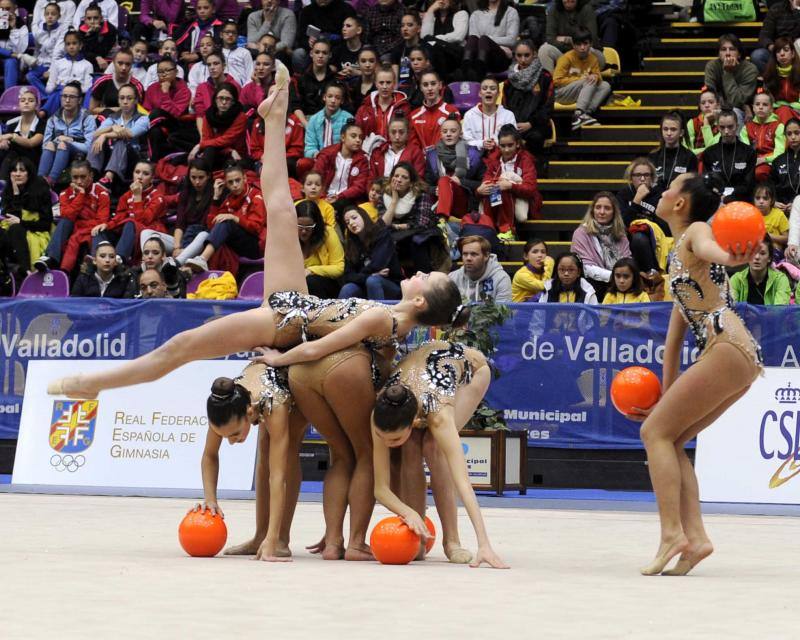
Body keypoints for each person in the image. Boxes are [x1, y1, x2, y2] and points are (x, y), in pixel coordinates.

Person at [48, 61, 467, 400]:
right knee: (282, 206)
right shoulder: (396, 321)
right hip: (295, 304)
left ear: (419, 298)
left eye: (429, 277)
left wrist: (278, 360)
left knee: (183, 347)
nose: (423, 271)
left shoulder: (385, 319)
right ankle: (274, 115)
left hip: (282, 322)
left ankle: (93, 385)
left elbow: (325, 348)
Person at [633, 172, 762, 576]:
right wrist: (664, 395)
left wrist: (730, 257)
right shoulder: (678, 258)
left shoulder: (696, 232)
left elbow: (712, 245)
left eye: (670, 187)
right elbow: (674, 337)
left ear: (681, 204)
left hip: (725, 342)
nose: (664, 190)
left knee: (653, 434)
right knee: (669, 436)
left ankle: (672, 533)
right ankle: (697, 538)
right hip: (734, 350)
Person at [371, 340, 508, 569]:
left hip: (472, 370)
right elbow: (380, 488)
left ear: (414, 421)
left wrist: (484, 544)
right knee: (410, 447)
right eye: (382, 436)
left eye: (394, 438)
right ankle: (419, 538)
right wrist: (408, 513)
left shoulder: (439, 413)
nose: (387, 444)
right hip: (419, 373)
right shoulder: (381, 413)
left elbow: (462, 482)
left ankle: (452, 541)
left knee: (434, 446)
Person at [185, 163, 265, 272]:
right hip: (236, 243)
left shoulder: (256, 196)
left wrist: (234, 218)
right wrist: (216, 198)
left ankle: (202, 258)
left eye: (238, 180)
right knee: (197, 230)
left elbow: (256, 228)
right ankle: (183, 263)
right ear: (226, 184)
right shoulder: (229, 199)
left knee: (227, 222)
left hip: (254, 245)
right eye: (230, 182)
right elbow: (212, 226)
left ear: (245, 179)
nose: (235, 185)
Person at [35, 159, 110, 273]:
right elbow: (68, 215)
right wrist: (81, 195)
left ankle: (96, 263)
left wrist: (82, 226)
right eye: (75, 177)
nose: (79, 181)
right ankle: (50, 258)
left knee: (99, 230)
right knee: (65, 221)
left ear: (91, 175)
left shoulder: (102, 193)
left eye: (83, 177)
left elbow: (102, 220)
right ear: (71, 177)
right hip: (73, 229)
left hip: (91, 230)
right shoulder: (65, 194)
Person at [91, 160, 167, 264]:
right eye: (137, 172)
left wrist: (137, 197)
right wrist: (107, 225)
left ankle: (118, 259)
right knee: (99, 230)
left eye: (145, 174)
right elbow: (119, 218)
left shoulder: (158, 197)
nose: (140, 176)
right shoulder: (125, 196)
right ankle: (97, 259)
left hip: (149, 233)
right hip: (128, 231)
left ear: (152, 178)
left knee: (131, 223)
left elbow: (143, 221)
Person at [474, 124, 540, 239]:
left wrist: (510, 186)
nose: (506, 150)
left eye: (510, 145)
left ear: (518, 144)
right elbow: (486, 181)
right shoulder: (494, 161)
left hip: (520, 198)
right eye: (503, 146)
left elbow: (531, 189)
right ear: (498, 145)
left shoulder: (526, 160)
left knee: (504, 180)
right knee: (495, 185)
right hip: (498, 199)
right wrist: (479, 191)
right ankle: (490, 229)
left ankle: (507, 231)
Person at [379, 161, 443, 273]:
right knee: (382, 237)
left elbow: (421, 224)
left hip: (419, 237)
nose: (399, 180)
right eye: (396, 176)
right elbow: (383, 225)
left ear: (411, 183)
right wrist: (394, 201)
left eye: (404, 177)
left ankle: (423, 277)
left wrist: (397, 226)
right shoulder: (385, 195)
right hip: (397, 237)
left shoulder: (421, 195)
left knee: (418, 240)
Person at [0, 157, 53, 281]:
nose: (17, 174)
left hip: (37, 231)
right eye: (14, 170)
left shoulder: (40, 189)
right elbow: (11, 217)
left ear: (29, 173)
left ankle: (26, 270)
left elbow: (45, 224)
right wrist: (16, 192)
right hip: (15, 233)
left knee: (16, 228)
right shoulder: (9, 190)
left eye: (22, 170)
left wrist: (22, 223)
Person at [570, 191, 631, 299]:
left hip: (618, 282)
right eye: (598, 207)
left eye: (607, 208)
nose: (602, 212)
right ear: (592, 211)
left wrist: (620, 277)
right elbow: (586, 267)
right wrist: (614, 276)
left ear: (614, 212)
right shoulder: (581, 233)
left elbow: (627, 260)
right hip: (592, 283)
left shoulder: (621, 234)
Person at [88, 83, 149, 187]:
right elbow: (96, 133)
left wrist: (106, 135)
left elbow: (130, 133)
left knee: (121, 141)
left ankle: (108, 179)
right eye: (122, 98)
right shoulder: (113, 117)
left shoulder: (143, 118)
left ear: (136, 100)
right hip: (114, 154)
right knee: (97, 139)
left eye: (129, 98)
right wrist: (111, 128)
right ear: (118, 100)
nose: (125, 102)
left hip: (133, 157)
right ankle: (91, 174)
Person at [425, 115, 484, 221]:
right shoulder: (432, 155)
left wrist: (462, 182)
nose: (448, 134)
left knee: (444, 180)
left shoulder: (473, 154)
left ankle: (442, 219)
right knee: (444, 182)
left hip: (464, 202)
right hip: (438, 200)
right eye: (445, 131)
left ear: (460, 133)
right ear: (441, 134)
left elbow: (482, 183)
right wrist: (434, 190)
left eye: (453, 131)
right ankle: (443, 217)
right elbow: (425, 185)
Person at [616, 157, 670, 274]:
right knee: (638, 237)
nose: (642, 179)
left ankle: (652, 274)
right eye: (638, 175)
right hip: (629, 238)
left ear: (652, 178)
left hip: (655, 239)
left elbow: (665, 226)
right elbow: (622, 223)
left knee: (641, 237)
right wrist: (636, 200)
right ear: (631, 178)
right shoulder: (624, 194)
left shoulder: (660, 195)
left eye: (646, 175)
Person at [38, 81, 97, 185]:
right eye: (64, 96)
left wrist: (70, 141)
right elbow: (44, 145)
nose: (67, 100)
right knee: (50, 144)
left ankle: (51, 181)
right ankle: (40, 180)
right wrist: (59, 139)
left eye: (72, 97)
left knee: (63, 144)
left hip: (79, 154)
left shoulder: (87, 118)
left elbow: (89, 147)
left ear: (79, 100)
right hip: (57, 150)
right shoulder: (53, 119)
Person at [339, 204, 402, 300]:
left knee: (373, 281)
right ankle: (338, 314)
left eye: (354, 218)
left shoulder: (382, 235)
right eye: (347, 222)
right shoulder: (351, 245)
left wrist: (361, 275)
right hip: (365, 284)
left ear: (363, 216)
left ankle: (376, 314)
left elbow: (377, 264)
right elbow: (347, 276)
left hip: (391, 285)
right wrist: (367, 275)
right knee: (347, 288)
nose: (351, 223)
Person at [502, 40, 554, 156]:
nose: (523, 60)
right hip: (514, 125)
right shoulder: (509, 81)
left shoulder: (545, 77)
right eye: (519, 55)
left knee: (535, 137)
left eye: (527, 55)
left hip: (537, 126)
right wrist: (513, 124)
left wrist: (530, 123)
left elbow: (547, 107)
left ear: (534, 54)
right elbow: (505, 107)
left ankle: (535, 170)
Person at [553, 28, 611, 130]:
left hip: (582, 92)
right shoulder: (566, 58)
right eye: (579, 45)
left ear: (590, 44)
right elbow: (556, 81)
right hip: (562, 93)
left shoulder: (593, 58)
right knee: (588, 80)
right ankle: (578, 114)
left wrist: (595, 76)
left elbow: (598, 78)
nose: (582, 47)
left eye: (585, 44)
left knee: (605, 85)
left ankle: (586, 114)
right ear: (573, 45)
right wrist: (581, 79)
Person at [143, 56, 197, 162]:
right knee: (155, 131)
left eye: (167, 70)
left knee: (156, 113)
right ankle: (155, 163)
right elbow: (146, 110)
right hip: (156, 125)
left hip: (177, 126)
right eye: (160, 71)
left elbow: (175, 113)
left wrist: (165, 92)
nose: (164, 74)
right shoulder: (152, 88)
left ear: (176, 72)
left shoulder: (184, 89)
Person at [701, 109, 756, 203]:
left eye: (730, 127)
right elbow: (708, 182)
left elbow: (748, 184)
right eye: (722, 127)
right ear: (718, 127)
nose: (726, 131)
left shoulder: (749, 152)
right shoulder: (709, 153)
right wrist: (719, 195)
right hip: (716, 200)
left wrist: (730, 196)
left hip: (741, 200)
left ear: (737, 126)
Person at [190, 83, 249, 170]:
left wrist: (199, 145)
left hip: (236, 155)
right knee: (208, 150)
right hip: (218, 151)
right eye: (221, 98)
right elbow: (207, 139)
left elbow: (226, 140)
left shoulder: (240, 117)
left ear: (233, 102)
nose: (224, 102)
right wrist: (228, 150)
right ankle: (204, 178)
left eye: (228, 99)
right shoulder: (209, 115)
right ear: (215, 99)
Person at [312, 121, 369, 209]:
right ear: (343, 138)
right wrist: (323, 197)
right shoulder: (327, 154)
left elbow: (359, 187)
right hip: (323, 197)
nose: (358, 140)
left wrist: (339, 196)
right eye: (353, 136)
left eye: (360, 137)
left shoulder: (363, 160)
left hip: (347, 200)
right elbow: (316, 177)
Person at [538, 0, 604, 73]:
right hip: (563, 54)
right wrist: (575, 44)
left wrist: (567, 39)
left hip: (585, 52)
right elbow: (550, 38)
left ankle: (585, 79)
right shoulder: (553, 10)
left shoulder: (587, 9)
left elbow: (591, 39)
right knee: (545, 49)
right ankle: (552, 81)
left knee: (589, 50)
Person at [39, 28, 93, 116]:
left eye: (74, 43)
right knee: (57, 94)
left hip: (77, 94)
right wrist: (57, 88)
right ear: (65, 46)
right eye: (68, 44)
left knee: (67, 94)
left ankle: (44, 112)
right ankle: (43, 113)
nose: (71, 46)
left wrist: (74, 88)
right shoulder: (58, 63)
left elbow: (87, 87)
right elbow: (50, 86)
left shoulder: (87, 65)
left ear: (80, 45)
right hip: (59, 93)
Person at [296, 199, 344, 298]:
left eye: (309, 227)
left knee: (311, 281)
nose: (304, 231)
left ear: (316, 224)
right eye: (300, 226)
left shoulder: (328, 233)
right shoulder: (288, 235)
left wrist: (310, 271)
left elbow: (339, 268)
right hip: (297, 283)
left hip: (325, 284)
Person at [703, 34, 758, 119]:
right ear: (719, 54)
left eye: (732, 49)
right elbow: (710, 96)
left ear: (739, 54)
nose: (728, 53)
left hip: (740, 112)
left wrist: (727, 73)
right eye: (723, 49)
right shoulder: (712, 67)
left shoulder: (750, 70)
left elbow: (737, 102)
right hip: (716, 108)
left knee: (734, 112)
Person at [26, 2, 70, 106]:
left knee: (54, 81)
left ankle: (49, 99)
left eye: (53, 14)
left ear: (59, 16)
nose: (50, 16)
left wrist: (51, 70)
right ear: (44, 15)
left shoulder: (63, 29)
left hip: (56, 64)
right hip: (41, 63)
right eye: (47, 14)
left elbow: (58, 52)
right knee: (29, 76)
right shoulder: (39, 30)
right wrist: (34, 61)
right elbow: (37, 50)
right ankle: (48, 97)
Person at [461, 0, 519, 79]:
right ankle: (466, 70)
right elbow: (474, 39)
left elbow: (512, 40)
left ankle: (479, 76)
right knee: (472, 38)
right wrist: (491, 42)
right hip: (478, 55)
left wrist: (490, 40)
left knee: (484, 39)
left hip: (500, 58)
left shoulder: (511, 12)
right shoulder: (476, 14)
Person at [292, 0, 356, 72]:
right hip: (314, 49)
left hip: (338, 47)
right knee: (298, 54)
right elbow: (301, 38)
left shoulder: (346, 9)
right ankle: (303, 79)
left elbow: (351, 34)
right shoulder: (307, 11)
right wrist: (309, 42)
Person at [171, 159, 212, 267]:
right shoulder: (185, 194)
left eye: (201, 177)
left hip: (202, 240)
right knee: (147, 233)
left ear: (208, 176)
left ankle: (176, 264)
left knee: (203, 235)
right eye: (193, 177)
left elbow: (208, 225)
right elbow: (179, 223)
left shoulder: (214, 193)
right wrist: (177, 247)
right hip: (183, 239)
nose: (197, 182)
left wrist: (182, 250)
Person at [730, 235, 791, 305]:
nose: (757, 257)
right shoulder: (736, 280)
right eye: (753, 252)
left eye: (762, 253)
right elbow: (731, 310)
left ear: (769, 258)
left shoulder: (781, 280)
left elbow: (779, 312)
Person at [0, 87, 46, 180]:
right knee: (7, 152)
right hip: (13, 162)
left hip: (33, 160)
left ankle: (2, 183)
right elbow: (4, 139)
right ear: (19, 104)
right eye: (23, 100)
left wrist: (11, 136)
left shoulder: (42, 124)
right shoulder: (11, 124)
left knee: (12, 153)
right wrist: (4, 142)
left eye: (31, 100)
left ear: (37, 105)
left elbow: (31, 143)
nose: (26, 102)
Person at [449, 234, 511, 302]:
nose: (468, 258)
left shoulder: (501, 279)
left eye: (474, 254)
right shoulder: (452, 278)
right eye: (465, 254)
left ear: (486, 256)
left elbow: (503, 311)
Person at [355, 63, 409, 140]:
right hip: (369, 150)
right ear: (376, 84)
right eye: (381, 82)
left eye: (388, 82)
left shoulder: (404, 107)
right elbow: (357, 135)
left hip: (395, 150)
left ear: (394, 83)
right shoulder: (364, 108)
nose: (384, 87)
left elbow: (408, 134)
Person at [740, 92, 786, 183]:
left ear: (771, 109)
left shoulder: (778, 126)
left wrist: (763, 159)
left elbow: (780, 152)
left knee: (759, 173)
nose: (760, 107)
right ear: (753, 107)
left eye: (765, 104)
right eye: (757, 104)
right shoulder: (746, 128)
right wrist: (752, 160)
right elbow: (745, 151)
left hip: (770, 162)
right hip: (751, 162)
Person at [462, 77, 517, 153]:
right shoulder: (469, 115)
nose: (488, 91)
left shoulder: (508, 115)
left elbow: (512, 139)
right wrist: (482, 143)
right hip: (478, 154)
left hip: (501, 153)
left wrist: (496, 143)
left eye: (492, 88)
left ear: (498, 94)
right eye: (484, 88)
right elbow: (466, 140)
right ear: (480, 93)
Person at [408, 70, 459, 149]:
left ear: (440, 85)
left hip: (445, 158)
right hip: (420, 159)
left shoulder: (452, 111)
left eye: (433, 84)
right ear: (421, 88)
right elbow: (413, 144)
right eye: (425, 85)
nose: (430, 88)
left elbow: (456, 140)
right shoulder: (414, 116)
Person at [648, 112, 698, 190]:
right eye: (665, 129)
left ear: (681, 133)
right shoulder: (653, 156)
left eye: (673, 129)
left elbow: (692, 187)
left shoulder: (689, 157)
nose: (669, 133)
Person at [304, 81, 353, 160]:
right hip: (319, 159)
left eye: (337, 98)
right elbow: (309, 148)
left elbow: (351, 146)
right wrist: (317, 155)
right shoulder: (314, 120)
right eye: (330, 96)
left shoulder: (348, 119)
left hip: (340, 160)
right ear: (324, 97)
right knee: (303, 164)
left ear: (342, 101)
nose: (333, 101)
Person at [191, 51, 242, 127]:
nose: (212, 67)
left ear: (224, 66)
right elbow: (200, 115)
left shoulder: (234, 85)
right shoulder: (202, 87)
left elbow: (237, 113)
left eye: (216, 63)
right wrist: (203, 138)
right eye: (209, 65)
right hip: (207, 127)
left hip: (229, 125)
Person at [420, 0, 468, 80]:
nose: (442, 1)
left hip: (456, 53)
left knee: (430, 41)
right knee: (428, 44)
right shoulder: (433, 17)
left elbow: (458, 36)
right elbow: (424, 37)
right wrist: (431, 10)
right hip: (439, 55)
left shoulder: (461, 14)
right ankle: (441, 80)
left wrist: (435, 39)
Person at [70, 240, 136, 297]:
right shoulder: (83, 279)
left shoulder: (124, 280)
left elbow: (125, 306)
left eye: (112, 257)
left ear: (116, 262)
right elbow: (75, 304)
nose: (107, 260)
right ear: (94, 260)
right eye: (102, 256)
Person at [89, 49, 145, 116]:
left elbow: (139, 112)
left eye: (128, 64)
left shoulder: (137, 86)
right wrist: (114, 110)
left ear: (132, 65)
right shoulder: (102, 81)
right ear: (113, 63)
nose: (124, 68)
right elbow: (92, 109)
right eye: (120, 63)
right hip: (104, 121)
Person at [369, 114, 425, 180]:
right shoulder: (378, 152)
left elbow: (418, 179)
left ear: (408, 134)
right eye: (393, 132)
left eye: (401, 132)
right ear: (388, 133)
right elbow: (371, 180)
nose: (397, 137)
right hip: (380, 189)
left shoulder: (415, 153)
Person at [750, 0, 800, 74]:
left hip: (797, 51)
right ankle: (776, 80)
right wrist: (775, 48)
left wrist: (797, 10)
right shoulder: (776, 9)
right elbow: (764, 36)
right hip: (778, 49)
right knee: (757, 56)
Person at [296, 39, 337, 124]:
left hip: (330, 121)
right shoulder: (300, 78)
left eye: (324, 53)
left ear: (330, 55)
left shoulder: (336, 80)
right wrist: (306, 125)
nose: (320, 56)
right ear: (311, 54)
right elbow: (295, 106)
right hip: (304, 121)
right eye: (317, 52)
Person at [762, 37, 800, 123]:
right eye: (778, 51)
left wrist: (790, 109)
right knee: (783, 111)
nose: (782, 54)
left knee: (785, 111)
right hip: (775, 113)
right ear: (775, 55)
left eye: (786, 50)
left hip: (798, 113)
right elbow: (766, 102)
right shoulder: (769, 75)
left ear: (793, 53)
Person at [175, 0, 222, 66]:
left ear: (213, 9)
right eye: (199, 8)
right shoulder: (192, 25)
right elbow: (183, 43)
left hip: (211, 62)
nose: (202, 11)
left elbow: (219, 48)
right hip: (190, 63)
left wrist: (198, 56)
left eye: (206, 8)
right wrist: (183, 53)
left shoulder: (219, 27)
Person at [769, 117, 800, 216]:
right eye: (789, 134)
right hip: (782, 209)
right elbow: (770, 187)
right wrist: (774, 202)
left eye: (797, 133)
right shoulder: (778, 161)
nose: (793, 137)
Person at [511, 238, 554, 302]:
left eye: (543, 252)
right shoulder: (521, 275)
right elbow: (545, 286)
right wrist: (549, 265)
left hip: (536, 309)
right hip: (520, 310)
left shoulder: (543, 271)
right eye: (535, 252)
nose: (540, 255)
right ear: (526, 256)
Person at [0, 0, 30, 92]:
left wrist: (13, 29)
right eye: (1, 9)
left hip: (13, 62)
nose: (4, 11)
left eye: (8, 9)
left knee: (11, 62)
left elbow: (20, 50)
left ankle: (9, 97)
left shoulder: (21, 27)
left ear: (15, 9)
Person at [78, 3, 117, 73]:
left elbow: (103, 52)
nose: (92, 21)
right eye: (89, 18)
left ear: (101, 18)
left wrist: (93, 34)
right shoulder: (81, 30)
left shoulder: (110, 29)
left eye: (95, 18)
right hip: (88, 61)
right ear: (85, 20)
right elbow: (83, 51)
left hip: (107, 60)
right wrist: (90, 35)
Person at [753, 182, 789, 250]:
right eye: (757, 198)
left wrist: (769, 236)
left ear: (772, 201)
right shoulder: (751, 215)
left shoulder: (779, 215)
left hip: (774, 251)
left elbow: (787, 239)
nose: (761, 201)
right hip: (755, 250)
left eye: (765, 198)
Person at [685, 88, 720, 157]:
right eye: (703, 103)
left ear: (718, 105)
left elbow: (714, 151)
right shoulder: (692, 123)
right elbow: (687, 151)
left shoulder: (722, 123)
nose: (707, 105)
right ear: (700, 106)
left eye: (711, 102)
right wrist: (704, 151)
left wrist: (706, 121)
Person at [218, 19, 253, 87]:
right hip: (221, 91)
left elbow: (250, 76)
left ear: (237, 36)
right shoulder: (216, 53)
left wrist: (243, 90)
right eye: (227, 32)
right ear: (221, 35)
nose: (230, 35)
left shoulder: (244, 52)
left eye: (233, 32)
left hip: (240, 90)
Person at [347, 46, 378, 114]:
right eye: (363, 61)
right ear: (358, 63)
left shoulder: (381, 86)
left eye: (371, 61)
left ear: (376, 63)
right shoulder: (352, 85)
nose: (367, 65)